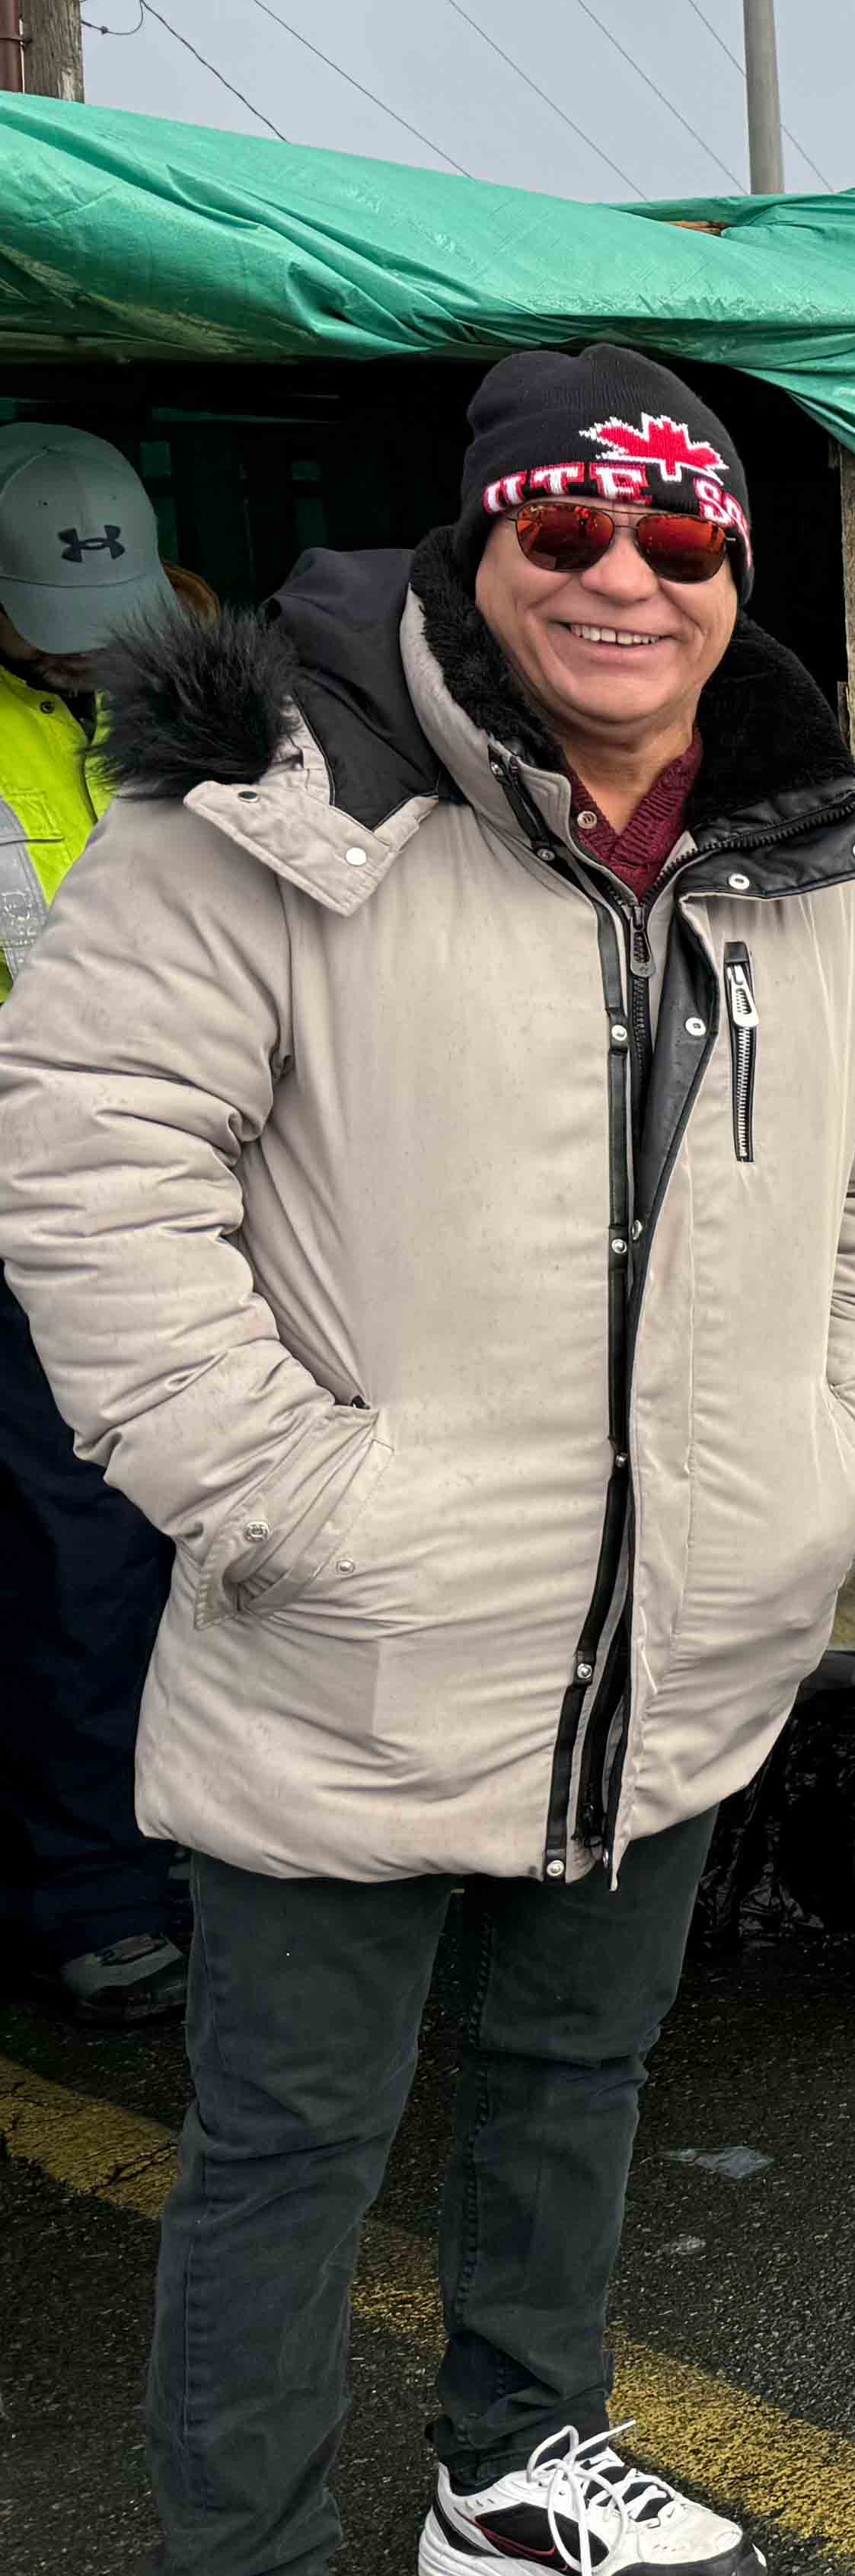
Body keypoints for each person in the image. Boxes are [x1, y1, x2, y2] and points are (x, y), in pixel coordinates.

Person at [0, 346, 855, 2575]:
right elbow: (87, 1155)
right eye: (570, 531)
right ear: (483, 541)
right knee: (287, 2149)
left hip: (686, 1620)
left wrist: (833, 1450)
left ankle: (516, 2470)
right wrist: (276, 1491)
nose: (627, 578)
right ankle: (242, 2547)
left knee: (571, 2083)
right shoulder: (276, 805)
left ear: (732, 568)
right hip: (361, 1624)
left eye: (682, 537)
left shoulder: (831, 856)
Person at [0, 422, 188, 2029]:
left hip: (190, 1195)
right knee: (76, 1556)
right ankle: (95, 1890)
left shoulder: (175, 704)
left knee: (202, 1528)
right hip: (23, 1228)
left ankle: (196, 1837)